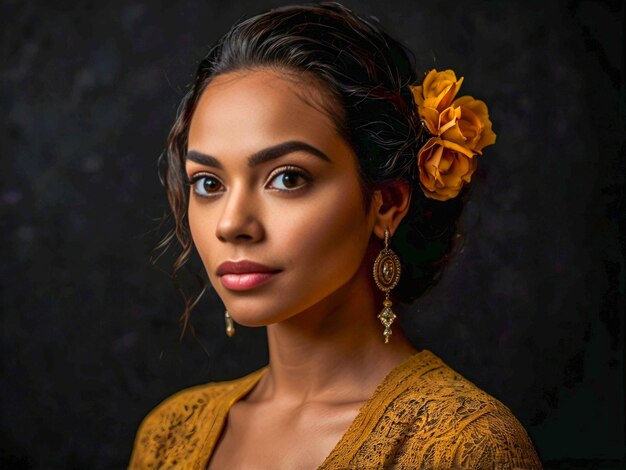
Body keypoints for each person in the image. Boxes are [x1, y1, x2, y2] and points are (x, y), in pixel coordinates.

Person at [129, 2, 542, 468]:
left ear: (386, 203)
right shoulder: (169, 434)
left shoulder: (464, 447)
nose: (230, 224)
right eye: (209, 183)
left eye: (287, 178)